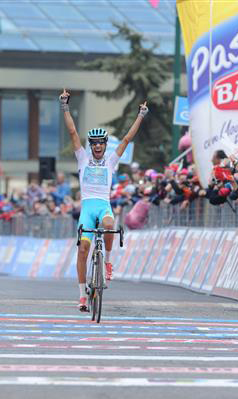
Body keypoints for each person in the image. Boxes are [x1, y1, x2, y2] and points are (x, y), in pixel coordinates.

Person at [60, 88, 148, 311]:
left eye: (101, 143)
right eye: (94, 143)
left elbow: (127, 138)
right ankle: (81, 296)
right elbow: (72, 132)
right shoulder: (82, 158)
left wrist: (141, 115)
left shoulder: (111, 161)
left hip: (103, 206)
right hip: (87, 209)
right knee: (83, 249)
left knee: (109, 225)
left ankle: (107, 261)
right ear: (91, 145)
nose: (98, 146)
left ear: (105, 145)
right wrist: (65, 106)